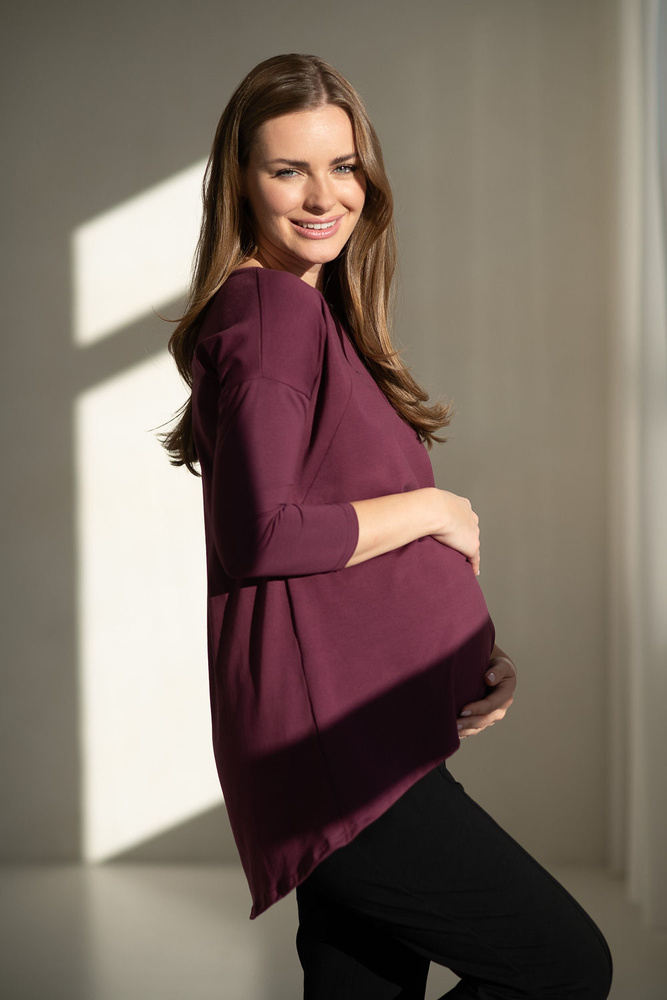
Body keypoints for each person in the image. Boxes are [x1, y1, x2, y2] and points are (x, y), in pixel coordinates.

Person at [163, 53, 612, 1000]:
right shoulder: (271, 317)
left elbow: (341, 561)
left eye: (343, 167)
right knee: (561, 966)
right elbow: (264, 534)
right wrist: (436, 510)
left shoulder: (304, 313)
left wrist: (464, 658)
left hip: (366, 740)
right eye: (287, 170)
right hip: (342, 759)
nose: (323, 196)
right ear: (239, 182)